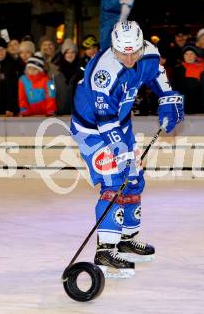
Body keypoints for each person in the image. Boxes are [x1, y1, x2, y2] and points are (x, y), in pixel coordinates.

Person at [71, 20, 184, 278]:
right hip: (93, 130)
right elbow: (104, 120)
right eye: (124, 52)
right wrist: (122, 155)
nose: (130, 58)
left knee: (133, 179)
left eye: (135, 51)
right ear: (114, 48)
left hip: (121, 123)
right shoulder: (103, 72)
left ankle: (125, 238)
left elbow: (158, 75)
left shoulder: (149, 54)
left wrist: (168, 99)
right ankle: (105, 250)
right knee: (115, 181)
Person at [18, 52, 56, 116]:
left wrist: (50, 110)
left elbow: (51, 96)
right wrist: (24, 109)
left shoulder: (48, 81)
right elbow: (22, 97)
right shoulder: (22, 80)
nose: (31, 71)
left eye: (35, 69)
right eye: (29, 68)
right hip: (29, 113)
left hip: (45, 113)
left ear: (40, 70)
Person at [172, 44, 204, 114]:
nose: (189, 56)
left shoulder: (202, 70)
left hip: (198, 108)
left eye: (191, 54)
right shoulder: (178, 69)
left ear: (195, 56)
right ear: (183, 56)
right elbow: (174, 88)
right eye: (186, 54)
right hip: (181, 107)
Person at [54, 38, 83, 115]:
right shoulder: (56, 71)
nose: (70, 55)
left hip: (77, 113)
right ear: (63, 54)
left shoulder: (81, 71)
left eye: (72, 52)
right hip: (59, 113)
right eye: (67, 52)